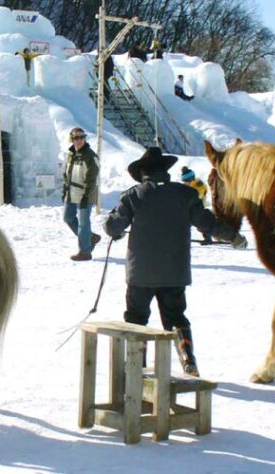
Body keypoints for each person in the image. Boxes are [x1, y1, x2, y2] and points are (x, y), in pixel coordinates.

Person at [104, 147, 245, 376]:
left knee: (136, 318)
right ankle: (188, 360)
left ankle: (136, 367)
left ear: (143, 173)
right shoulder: (186, 195)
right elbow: (208, 223)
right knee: (176, 317)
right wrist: (234, 236)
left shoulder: (132, 196)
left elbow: (113, 227)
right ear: (165, 171)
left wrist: (113, 226)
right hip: (174, 272)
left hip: (141, 274)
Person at [62, 127, 100, 261]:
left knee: (83, 223)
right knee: (68, 218)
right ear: (71, 139)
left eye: (81, 137)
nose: (79, 140)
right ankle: (89, 237)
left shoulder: (90, 156)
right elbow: (67, 174)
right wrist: (64, 189)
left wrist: (86, 196)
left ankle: (85, 252)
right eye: (76, 138)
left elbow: (92, 178)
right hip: (71, 193)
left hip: (85, 194)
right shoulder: (71, 154)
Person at [180, 166, 213, 245]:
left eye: (185, 181)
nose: (185, 183)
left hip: (198, 208)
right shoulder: (190, 185)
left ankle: (208, 238)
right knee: (186, 223)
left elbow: (200, 193)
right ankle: (181, 237)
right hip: (191, 208)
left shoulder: (198, 185)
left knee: (201, 223)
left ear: (189, 179)